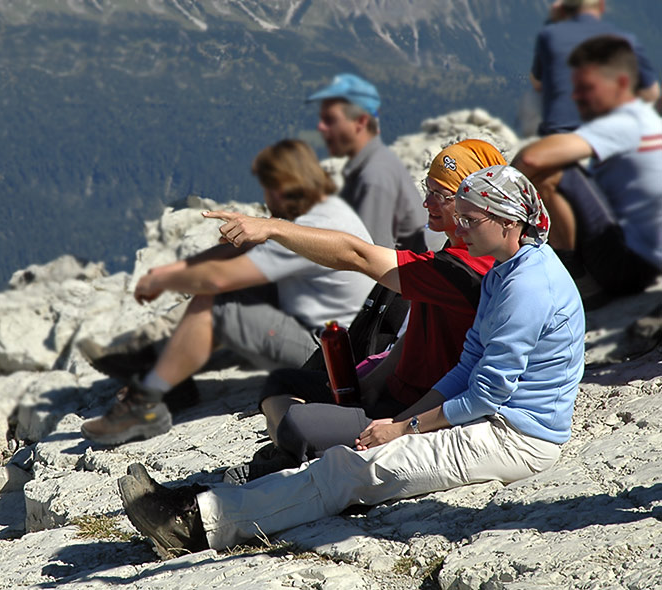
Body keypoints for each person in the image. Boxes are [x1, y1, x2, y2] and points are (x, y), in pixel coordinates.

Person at [117, 165, 585, 558]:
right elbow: (468, 366)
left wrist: (403, 430)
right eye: (457, 217)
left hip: (517, 437)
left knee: (351, 470)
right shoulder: (507, 270)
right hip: (493, 420)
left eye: (469, 219)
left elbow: (488, 392)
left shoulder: (525, 286)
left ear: (507, 221)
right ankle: (208, 504)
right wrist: (403, 423)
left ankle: (195, 526)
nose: (457, 228)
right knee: (349, 458)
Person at [218, 140, 505, 484]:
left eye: (440, 196)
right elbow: (414, 336)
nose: (427, 203)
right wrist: (372, 382)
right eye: (427, 190)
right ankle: (296, 451)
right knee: (283, 383)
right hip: (396, 392)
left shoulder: (467, 268)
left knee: (297, 423)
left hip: (420, 409)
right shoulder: (454, 246)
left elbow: (357, 256)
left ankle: (294, 456)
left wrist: (273, 228)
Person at [80, 139, 375, 446]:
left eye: (268, 187)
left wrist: (162, 280)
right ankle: (159, 363)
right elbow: (247, 252)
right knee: (247, 289)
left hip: (334, 359)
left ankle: (147, 403)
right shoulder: (325, 214)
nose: (265, 197)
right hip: (343, 339)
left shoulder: (310, 229)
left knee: (221, 303)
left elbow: (219, 279)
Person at [515, 35, 662, 299]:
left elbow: (532, 159)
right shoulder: (644, 118)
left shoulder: (624, 122)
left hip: (628, 267)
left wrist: (495, 194)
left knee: (555, 172)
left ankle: (579, 282)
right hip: (642, 258)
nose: (577, 96)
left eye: (587, 87)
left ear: (621, 83)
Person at [307, 73, 426, 252]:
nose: (321, 127)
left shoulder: (374, 176)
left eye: (330, 120)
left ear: (360, 122)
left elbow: (369, 256)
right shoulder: (373, 165)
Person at [531, 0, 659, 136]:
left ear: (563, 9)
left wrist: (553, 21)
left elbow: (537, 84)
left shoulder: (548, 36)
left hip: (558, 136)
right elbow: (652, 94)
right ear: (602, 6)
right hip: (606, 137)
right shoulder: (626, 41)